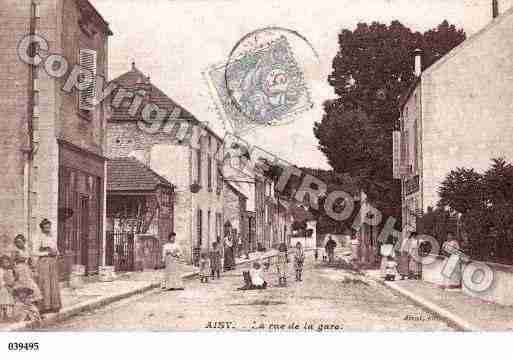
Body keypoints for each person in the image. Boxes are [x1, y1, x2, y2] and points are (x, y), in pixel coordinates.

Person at [34, 219, 61, 314]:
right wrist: (47, 252)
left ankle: (53, 305)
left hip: (53, 262)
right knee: (45, 283)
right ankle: (44, 306)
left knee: (53, 283)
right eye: (46, 227)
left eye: (49, 227)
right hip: (44, 262)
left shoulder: (51, 236)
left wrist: (57, 253)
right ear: (42, 227)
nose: (48, 229)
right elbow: (34, 252)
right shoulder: (38, 237)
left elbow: (56, 249)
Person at [12, 235, 42, 305]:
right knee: (21, 286)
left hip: (26, 269)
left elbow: (30, 260)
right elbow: (11, 262)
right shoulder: (15, 251)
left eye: (20, 242)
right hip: (19, 269)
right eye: (17, 242)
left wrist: (33, 269)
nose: (18, 243)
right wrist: (14, 271)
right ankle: (22, 304)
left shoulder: (27, 249)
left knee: (32, 285)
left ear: (24, 242)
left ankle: (32, 305)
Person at [0, 255, 15, 321]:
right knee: (3, 299)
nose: (6, 264)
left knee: (9, 300)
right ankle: (3, 314)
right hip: (3, 287)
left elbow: (12, 279)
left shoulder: (9, 270)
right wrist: (6, 285)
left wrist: (11, 284)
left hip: (9, 287)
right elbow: (1, 280)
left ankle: (8, 315)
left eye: (7, 262)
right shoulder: (1, 270)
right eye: (4, 262)